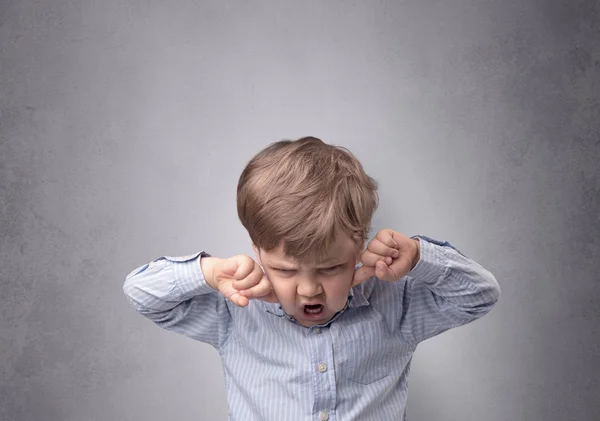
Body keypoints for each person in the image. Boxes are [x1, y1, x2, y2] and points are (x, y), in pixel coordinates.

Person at [123, 136, 501, 420]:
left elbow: (480, 295)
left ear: (359, 247)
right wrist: (208, 272)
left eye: (330, 268)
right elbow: (141, 293)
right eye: (285, 270)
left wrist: (419, 256)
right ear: (257, 250)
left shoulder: (395, 304)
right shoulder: (235, 310)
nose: (307, 288)